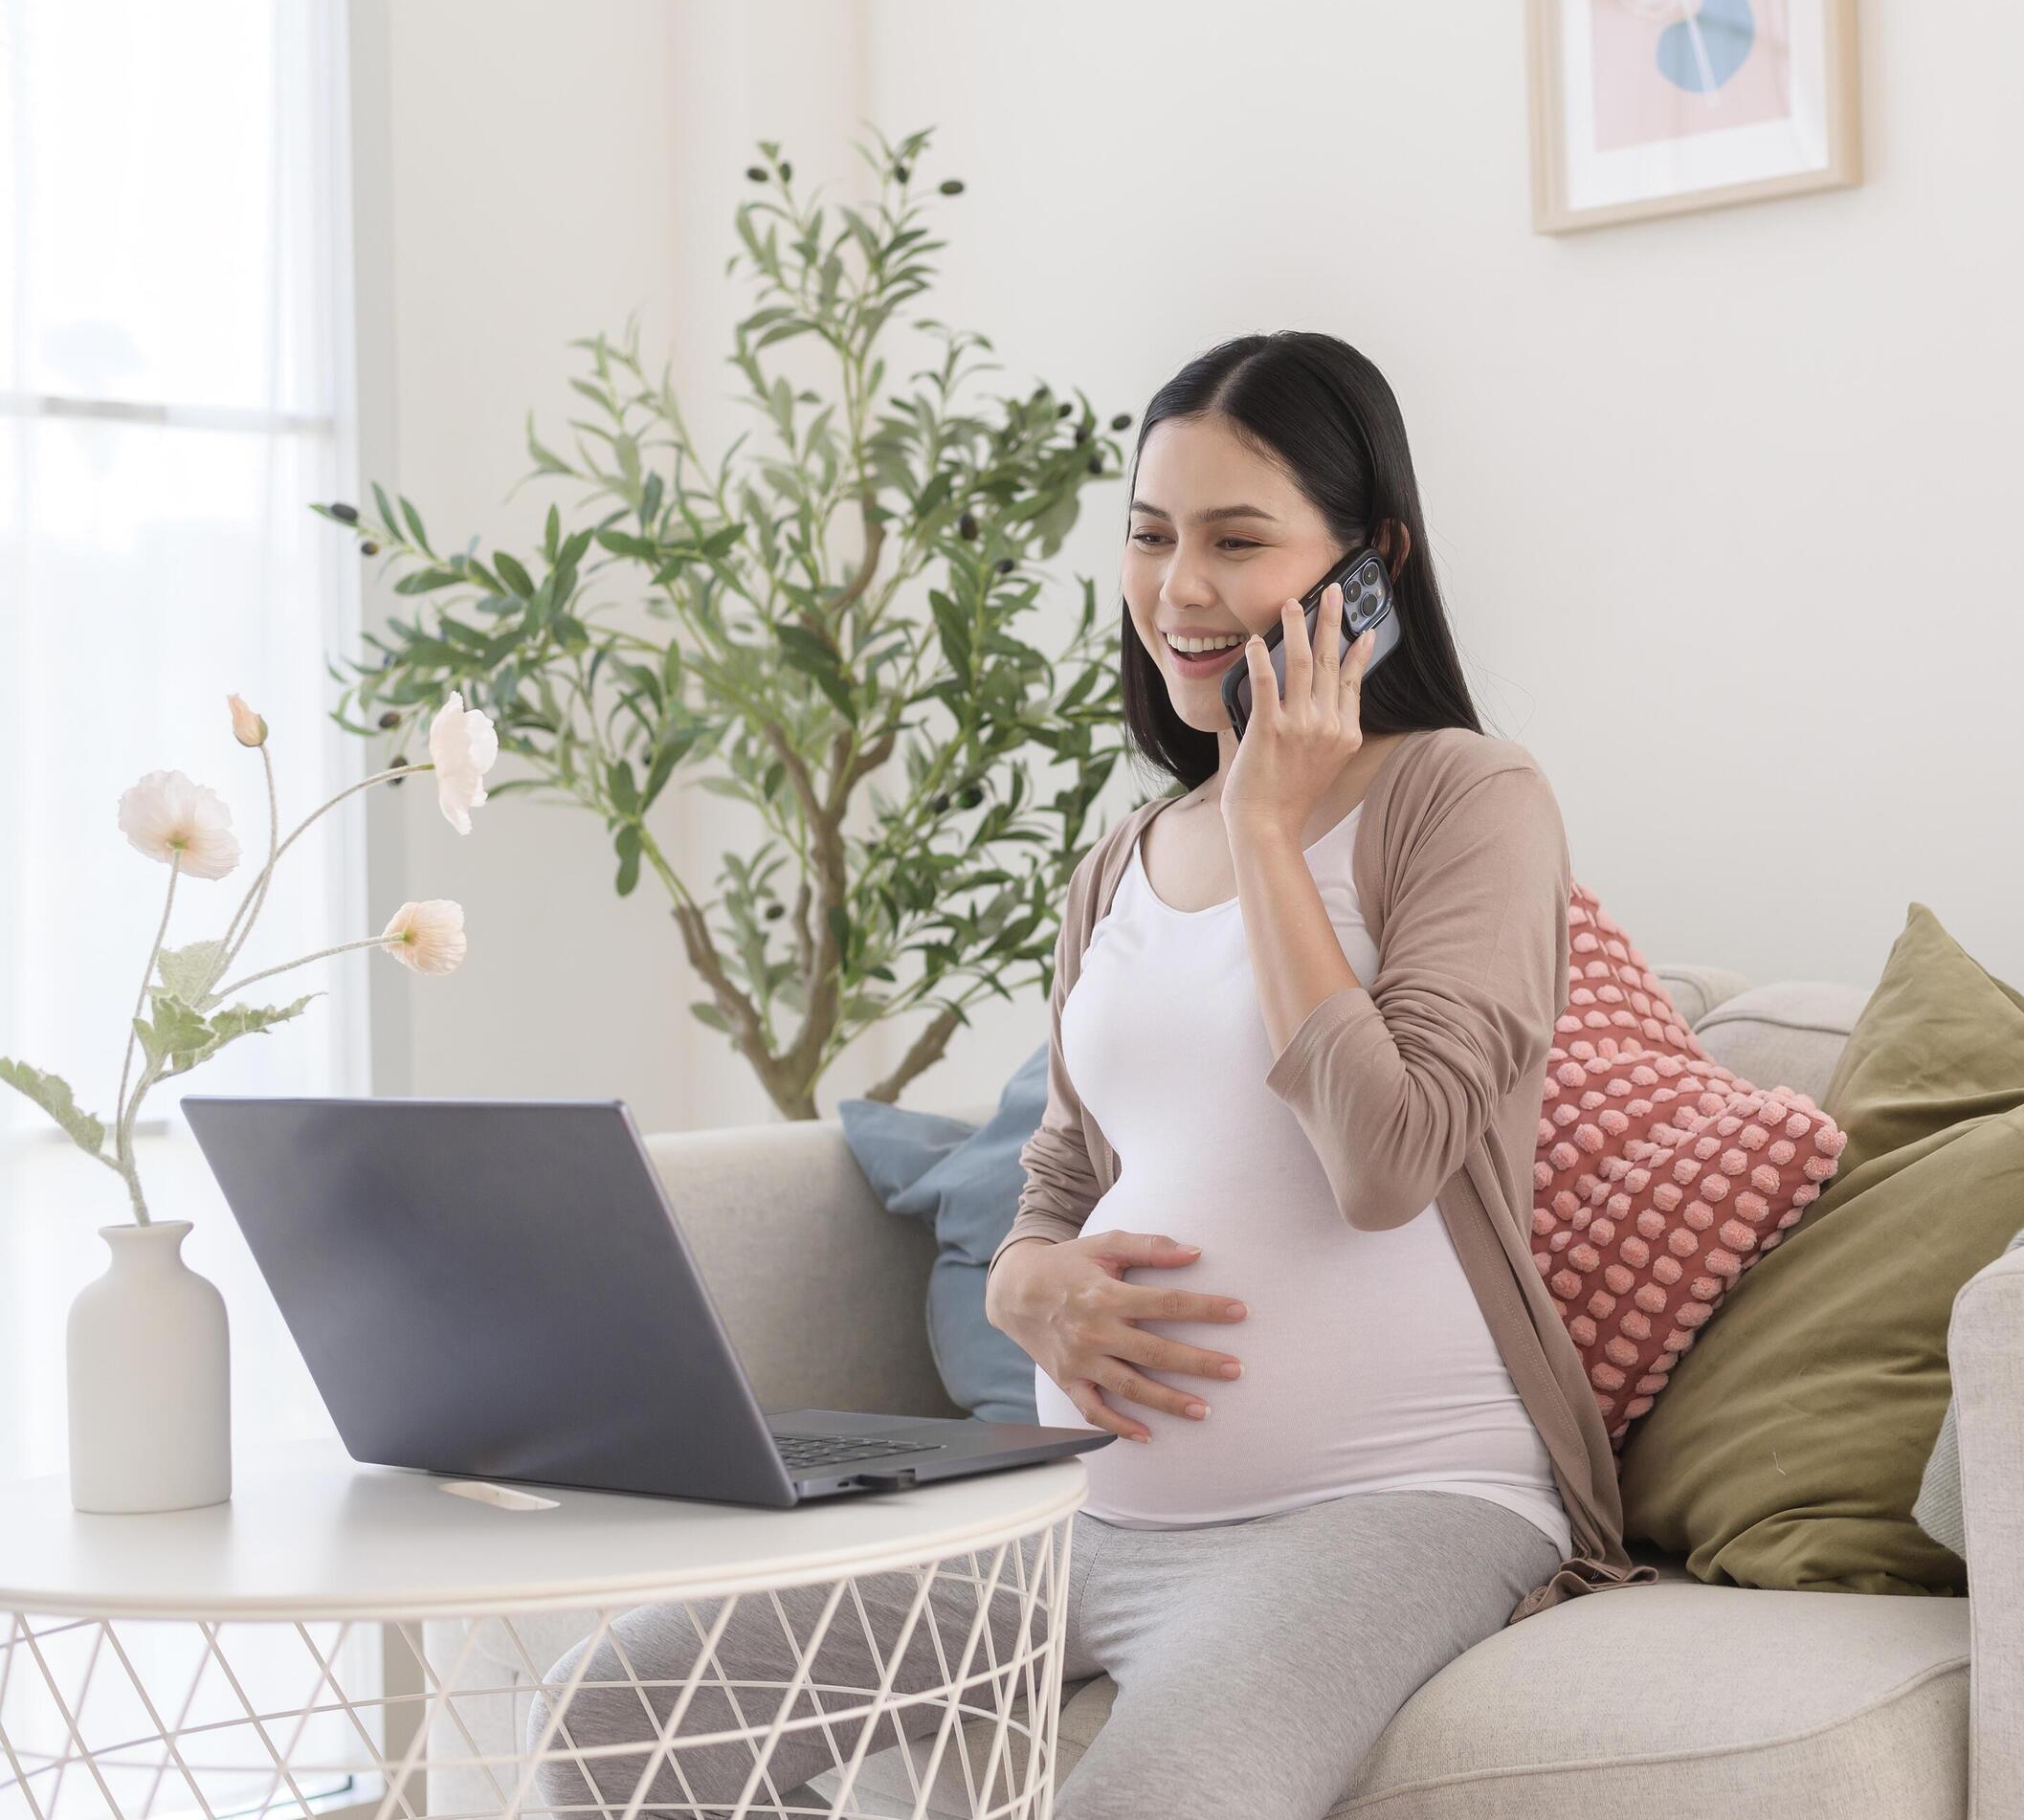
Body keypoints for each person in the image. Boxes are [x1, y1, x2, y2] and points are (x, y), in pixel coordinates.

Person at [527, 330, 1654, 1820]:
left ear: (1368, 565)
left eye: (1237, 541)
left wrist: (1268, 828)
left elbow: (1391, 1163)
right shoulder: (1120, 858)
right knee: (615, 1719)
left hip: (1391, 1499)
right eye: (1148, 535)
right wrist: (1023, 1283)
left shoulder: (1464, 797)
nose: (1180, 589)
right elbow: (1064, 1167)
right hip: (1082, 1514)